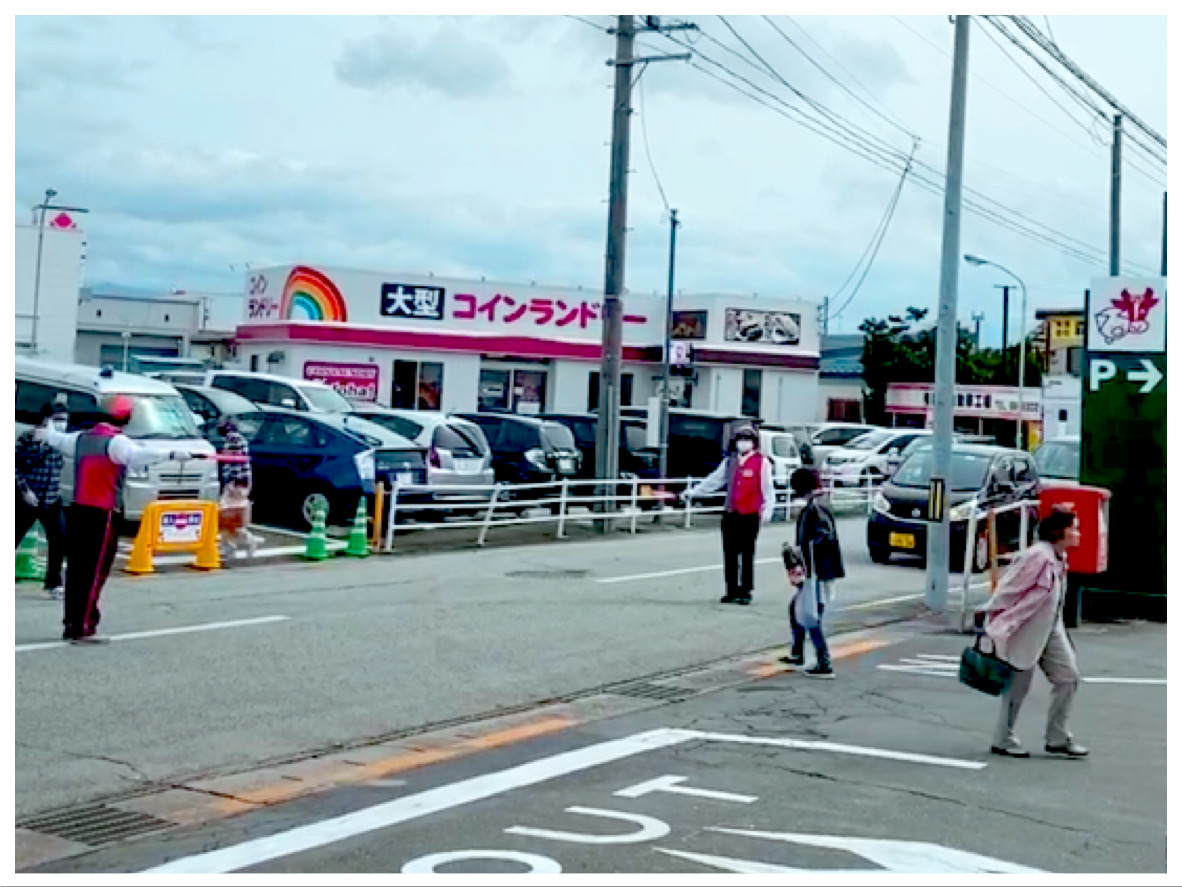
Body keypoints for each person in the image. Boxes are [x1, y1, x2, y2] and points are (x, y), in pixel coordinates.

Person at [36, 394, 202, 645]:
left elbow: (53, 438)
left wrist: (47, 418)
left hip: (78, 509)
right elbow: (140, 456)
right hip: (102, 513)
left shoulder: (79, 439)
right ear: (127, 418)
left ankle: (72, 623)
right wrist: (174, 454)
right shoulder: (117, 443)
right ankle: (84, 627)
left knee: (77, 570)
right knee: (95, 571)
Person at [982, 505, 1087, 759]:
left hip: (1050, 627)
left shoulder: (1058, 556)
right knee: (1017, 686)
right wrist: (993, 617)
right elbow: (1009, 588)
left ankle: (1057, 737)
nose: (1079, 533)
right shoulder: (1037, 557)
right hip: (1025, 628)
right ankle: (1003, 738)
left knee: (1068, 677)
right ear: (1058, 532)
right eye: (1074, 528)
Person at [683, 425, 775, 605]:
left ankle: (745, 590)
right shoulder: (730, 462)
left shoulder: (761, 462)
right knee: (730, 553)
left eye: (747, 439)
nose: (743, 442)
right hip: (731, 512)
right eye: (740, 438)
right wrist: (693, 492)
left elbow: (767, 488)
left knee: (747, 553)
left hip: (750, 513)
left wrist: (768, 509)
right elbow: (714, 481)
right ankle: (731, 589)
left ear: (754, 442)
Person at [781, 467, 845, 678]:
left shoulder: (816, 507)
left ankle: (824, 662)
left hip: (818, 569)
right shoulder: (819, 503)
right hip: (820, 568)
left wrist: (804, 551)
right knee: (798, 609)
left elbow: (823, 535)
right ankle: (798, 652)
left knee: (810, 614)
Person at [16, 402, 69, 599]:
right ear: (46, 420)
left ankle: (54, 583)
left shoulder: (62, 441)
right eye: (58, 420)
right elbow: (16, 466)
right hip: (27, 498)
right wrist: (25, 491)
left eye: (64, 420)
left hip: (52, 498)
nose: (62, 424)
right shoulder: (28, 438)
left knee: (59, 540)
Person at [216, 416, 261, 561]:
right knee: (229, 519)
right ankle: (231, 547)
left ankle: (245, 542)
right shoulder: (240, 439)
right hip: (240, 483)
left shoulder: (233, 439)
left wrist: (232, 484)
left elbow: (233, 462)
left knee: (227, 517)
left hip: (235, 484)